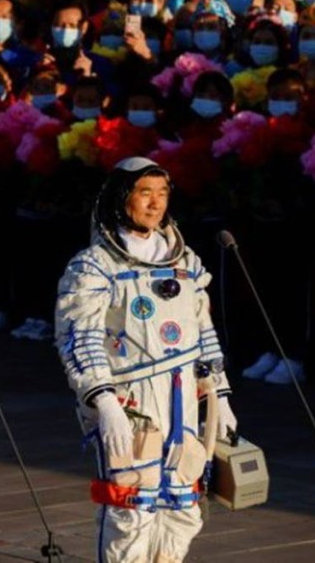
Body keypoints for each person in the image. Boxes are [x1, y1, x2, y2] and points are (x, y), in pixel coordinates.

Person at [54, 157, 237, 562]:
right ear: (122, 198)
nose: (155, 204)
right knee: (132, 505)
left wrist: (219, 394)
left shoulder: (184, 262)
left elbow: (202, 330)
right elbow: (78, 338)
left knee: (183, 505)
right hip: (131, 399)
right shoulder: (95, 266)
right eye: (144, 193)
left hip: (182, 396)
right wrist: (104, 402)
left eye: (162, 194)